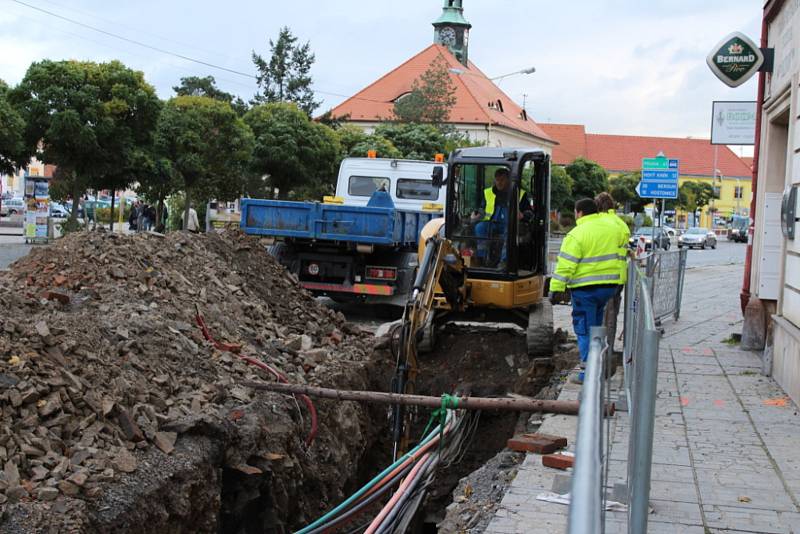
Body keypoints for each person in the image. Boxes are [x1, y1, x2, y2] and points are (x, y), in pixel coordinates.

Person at [549, 198, 623, 383]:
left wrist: (555, 289)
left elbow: (565, 266)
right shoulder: (611, 229)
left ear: (579, 212)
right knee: (596, 327)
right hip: (608, 288)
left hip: (585, 291)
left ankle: (587, 374)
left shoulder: (576, 234)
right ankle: (597, 366)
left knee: (583, 330)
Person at [473, 168, 533, 267]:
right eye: (497, 180)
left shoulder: (520, 194)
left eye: (502, 180)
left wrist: (522, 215)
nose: (499, 183)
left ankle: (504, 262)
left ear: (509, 180)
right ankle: (482, 258)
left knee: (509, 231)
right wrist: (477, 214)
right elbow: (482, 209)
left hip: (509, 224)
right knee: (479, 227)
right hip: (493, 223)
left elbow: (530, 213)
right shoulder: (488, 193)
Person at [594, 192, 631, 357]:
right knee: (612, 315)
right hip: (618, 278)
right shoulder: (621, 224)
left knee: (600, 317)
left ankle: (599, 357)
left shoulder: (598, 223)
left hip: (602, 277)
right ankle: (608, 352)